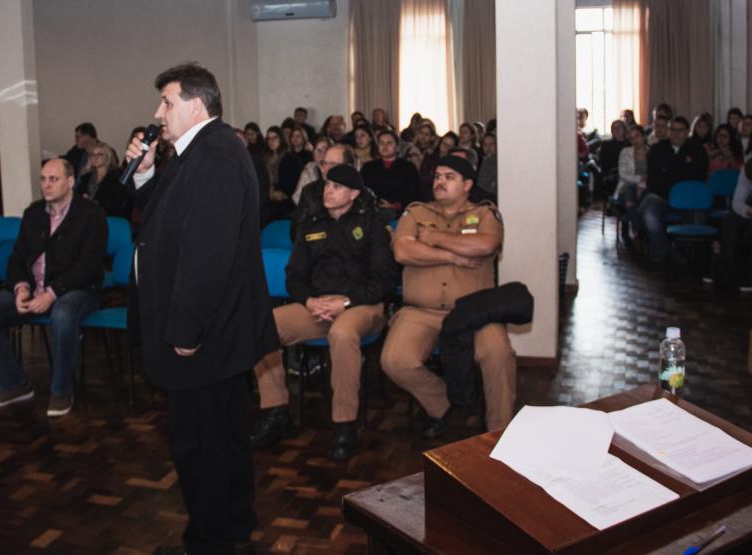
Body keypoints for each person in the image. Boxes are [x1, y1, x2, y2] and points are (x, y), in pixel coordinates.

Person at [126, 62, 278, 555]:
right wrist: (146, 174)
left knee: (200, 445)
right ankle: (230, 527)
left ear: (195, 105)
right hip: (215, 331)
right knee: (220, 437)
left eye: (166, 102)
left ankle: (211, 540)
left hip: (204, 335)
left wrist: (184, 331)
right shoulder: (201, 153)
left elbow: (206, 255)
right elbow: (170, 224)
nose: (158, 112)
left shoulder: (213, 156)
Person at [251, 165, 397, 460]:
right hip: (318, 306)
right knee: (262, 326)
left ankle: (345, 425)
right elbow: (294, 275)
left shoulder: (372, 226)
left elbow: (384, 282)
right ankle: (276, 410)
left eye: (336, 187)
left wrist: (344, 302)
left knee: (342, 334)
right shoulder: (312, 224)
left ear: (354, 194)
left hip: (362, 306)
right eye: (327, 185)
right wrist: (308, 301)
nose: (328, 191)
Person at [381, 155, 515, 435]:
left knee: (498, 353)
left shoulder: (485, 214)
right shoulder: (415, 212)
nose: (439, 182)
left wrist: (433, 239)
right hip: (421, 311)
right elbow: (403, 251)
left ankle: (499, 431)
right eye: (437, 176)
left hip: (474, 312)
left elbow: (486, 244)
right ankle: (444, 406)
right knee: (395, 360)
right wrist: (454, 256)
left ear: (467, 184)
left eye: (449, 177)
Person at [0, 158, 107, 418]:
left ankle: (62, 391)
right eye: (42, 179)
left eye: (53, 179)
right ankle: (13, 384)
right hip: (33, 290)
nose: (46, 185)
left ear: (71, 181)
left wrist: (51, 293)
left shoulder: (91, 214)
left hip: (76, 290)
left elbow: (90, 266)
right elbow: (17, 257)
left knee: (63, 314)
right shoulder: (34, 213)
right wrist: (20, 287)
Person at [641, 116, 709, 262]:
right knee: (648, 210)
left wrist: (669, 172)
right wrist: (681, 171)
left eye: (680, 130)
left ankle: (686, 252)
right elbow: (653, 179)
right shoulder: (657, 149)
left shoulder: (697, 150)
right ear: (668, 131)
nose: (676, 133)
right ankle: (662, 247)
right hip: (662, 196)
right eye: (673, 129)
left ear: (687, 132)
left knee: (698, 212)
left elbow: (698, 177)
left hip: (689, 199)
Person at [360, 129, 420, 220]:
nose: (385, 146)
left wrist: (396, 205)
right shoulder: (368, 167)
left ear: (397, 146)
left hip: (400, 215)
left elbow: (415, 194)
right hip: (371, 214)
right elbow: (361, 190)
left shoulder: (408, 168)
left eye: (389, 143)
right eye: (382, 143)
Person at [715, 158, 752, 296]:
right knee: (729, 220)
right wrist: (748, 210)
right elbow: (737, 202)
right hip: (749, 211)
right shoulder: (747, 169)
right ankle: (727, 271)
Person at [77, 141, 129, 217]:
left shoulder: (117, 176)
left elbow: (118, 202)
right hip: (86, 214)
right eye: (93, 154)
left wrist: (95, 203)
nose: (95, 157)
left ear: (107, 157)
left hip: (108, 216)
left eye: (100, 154)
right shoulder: (86, 177)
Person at [616, 125, 650, 238]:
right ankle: (638, 228)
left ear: (644, 137)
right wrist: (640, 179)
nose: (635, 140)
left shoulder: (652, 151)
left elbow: (654, 173)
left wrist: (642, 184)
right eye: (631, 138)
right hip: (627, 186)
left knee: (644, 195)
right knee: (629, 191)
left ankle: (636, 227)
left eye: (637, 136)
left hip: (647, 186)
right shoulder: (625, 152)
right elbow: (623, 174)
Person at [293, 136, 331, 205]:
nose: (322, 155)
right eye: (318, 151)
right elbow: (297, 197)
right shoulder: (309, 170)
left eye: (326, 151)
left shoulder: (337, 169)